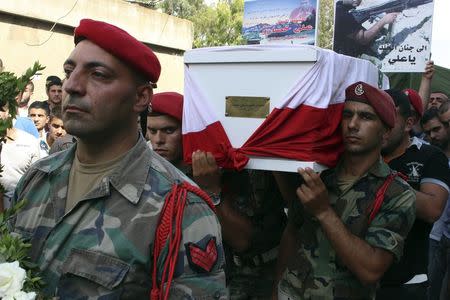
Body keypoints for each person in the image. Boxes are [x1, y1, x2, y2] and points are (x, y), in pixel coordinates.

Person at [9, 19, 227, 299]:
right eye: (69, 71)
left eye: (98, 74)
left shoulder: (180, 208)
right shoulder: (36, 178)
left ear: (140, 97)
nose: (72, 86)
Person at [274, 81, 416, 299]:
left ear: (386, 132)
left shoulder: (397, 193)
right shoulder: (319, 174)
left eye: (366, 117)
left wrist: (323, 211)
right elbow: (292, 233)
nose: (352, 124)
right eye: (347, 115)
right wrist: (276, 290)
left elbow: (371, 270)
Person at [147, 92, 288, 299]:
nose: (158, 140)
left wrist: (211, 191)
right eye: (152, 130)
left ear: (188, 130)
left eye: (169, 130)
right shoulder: (148, 170)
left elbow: (243, 241)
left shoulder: (222, 166)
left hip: (245, 279)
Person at [378, 89, 450, 299]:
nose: (381, 126)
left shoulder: (430, 156)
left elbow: (432, 210)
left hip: (407, 281)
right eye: (374, 117)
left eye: (388, 118)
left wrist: (380, 178)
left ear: (409, 124)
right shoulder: (361, 154)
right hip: (357, 276)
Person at [421, 105, 450, 300]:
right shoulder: (430, 158)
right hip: (435, 237)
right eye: (428, 132)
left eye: (437, 129)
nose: (432, 136)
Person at [0, 102, 40, 211]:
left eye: (1, 109)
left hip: (19, 210)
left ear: (10, 112)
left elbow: (36, 182)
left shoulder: (30, 142)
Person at [333, 0, 398, 57]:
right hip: (339, 52)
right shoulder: (339, 15)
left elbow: (341, 4)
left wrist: (351, 2)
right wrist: (384, 21)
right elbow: (363, 39)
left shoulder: (334, 5)